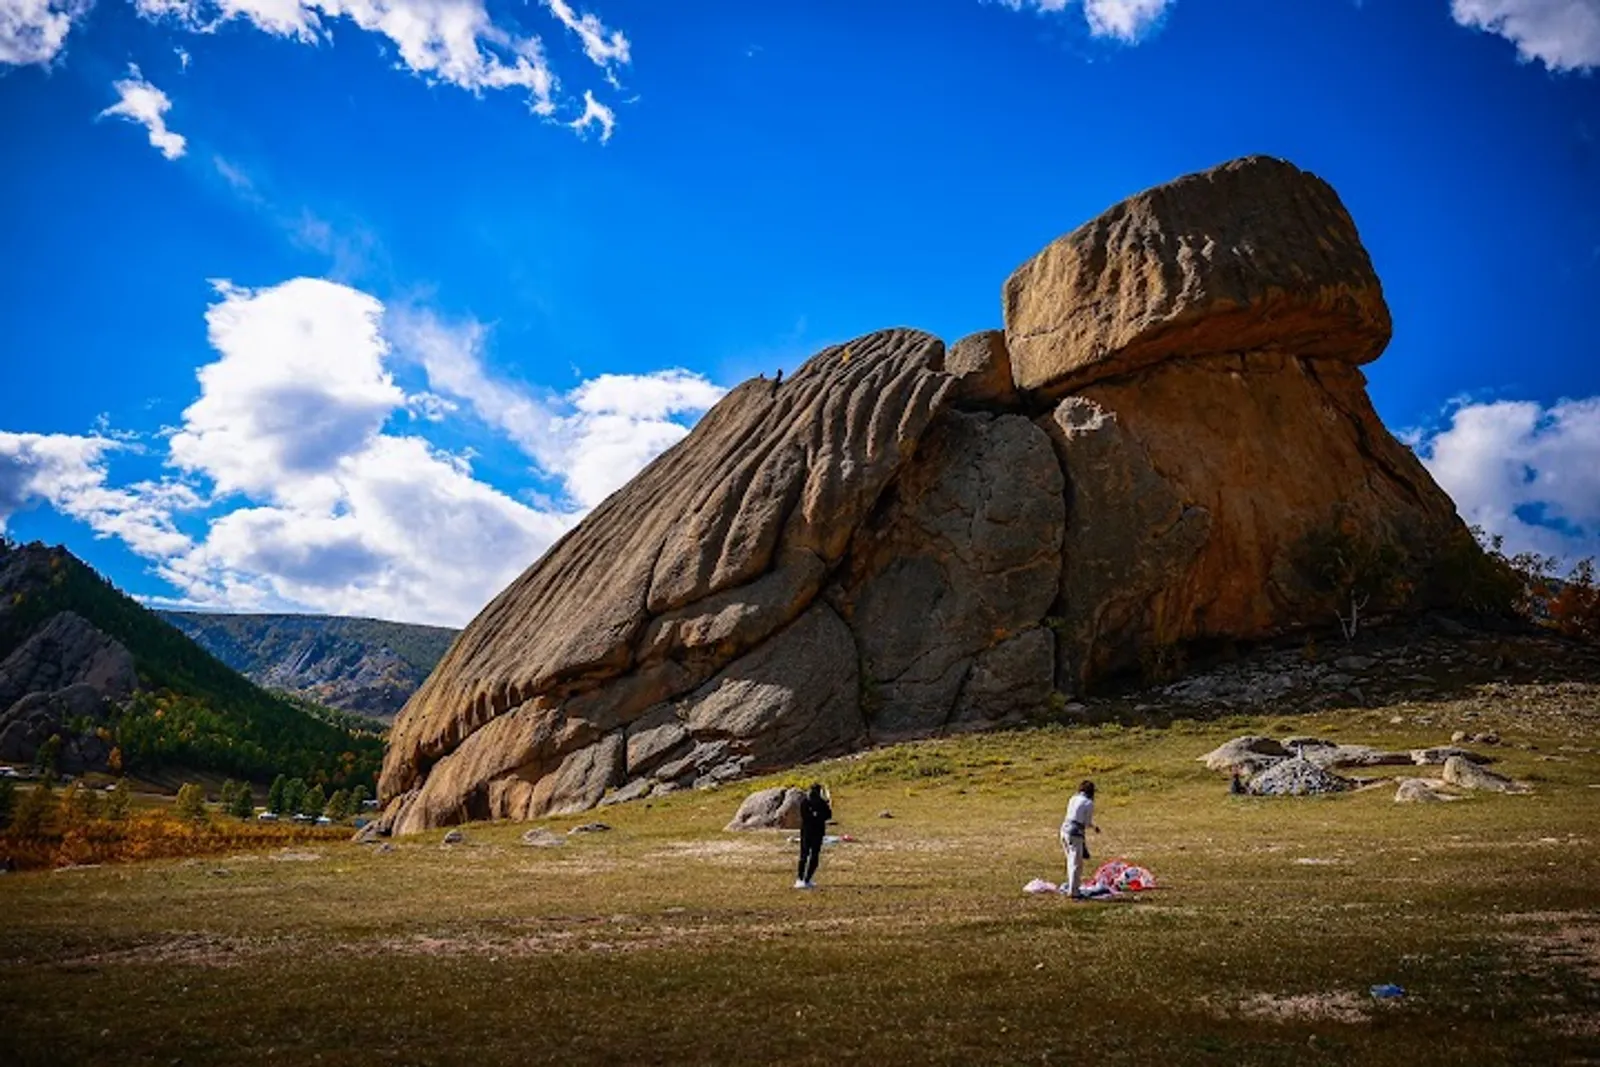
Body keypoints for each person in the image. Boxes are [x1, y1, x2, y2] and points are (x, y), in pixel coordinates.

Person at [1060, 779, 1101, 899]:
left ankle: (1072, 886)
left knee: (1070, 861)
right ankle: (1074, 892)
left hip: (1063, 830)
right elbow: (1086, 822)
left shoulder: (1073, 798)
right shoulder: (1088, 803)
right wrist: (1094, 827)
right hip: (1074, 833)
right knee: (1076, 864)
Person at [795, 782, 832, 889]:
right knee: (804, 855)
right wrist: (818, 815)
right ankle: (800, 879)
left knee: (814, 856)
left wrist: (823, 810)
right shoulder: (805, 802)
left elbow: (828, 815)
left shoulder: (821, 803)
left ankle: (808, 879)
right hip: (807, 832)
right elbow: (806, 816)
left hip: (818, 832)